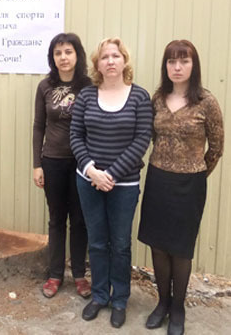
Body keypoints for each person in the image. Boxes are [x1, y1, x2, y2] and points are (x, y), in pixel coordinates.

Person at [138, 40, 224, 335]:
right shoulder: (157, 99)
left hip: (190, 185)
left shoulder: (207, 102)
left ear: (193, 65)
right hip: (158, 181)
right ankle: (161, 303)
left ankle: (177, 308)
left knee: (181, 250)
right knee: (158, 247)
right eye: (171, 61)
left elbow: (216, 147)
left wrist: (196, 174)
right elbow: (147, 137)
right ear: (165, 66)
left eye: (183, 61)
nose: (177, 67)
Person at [70, 37, 152, 328]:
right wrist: (91, 170)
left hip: (124, 186)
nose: (111, 61)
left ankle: (120, 300)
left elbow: (142, 138)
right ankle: (100, 296)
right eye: (105, 57)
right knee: (97, 241)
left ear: (124, 61)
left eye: (116, 56)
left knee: (119, 243)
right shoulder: (87, 96)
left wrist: (112, 174)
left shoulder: (139, 97)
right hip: (89, 181)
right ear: (98, 65)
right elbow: (76, 135)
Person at [32, 33, 91, 299]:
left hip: (83, 164)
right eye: (58, 53)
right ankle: (55, 274)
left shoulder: (90, 86)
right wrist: (37, 164)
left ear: (77, 55)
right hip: (52, 162)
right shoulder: (45, 86)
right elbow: (38, 126)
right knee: (57, 219)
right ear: (52, 58)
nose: (63, 57)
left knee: (80, 220)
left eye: (68, 52)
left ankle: (79, 274)